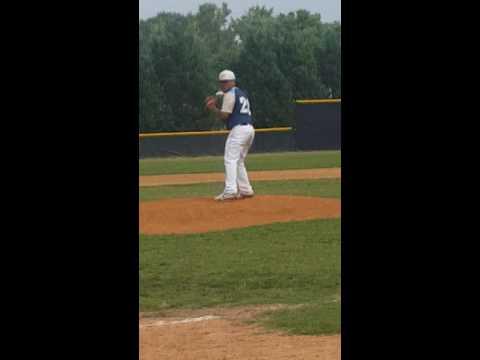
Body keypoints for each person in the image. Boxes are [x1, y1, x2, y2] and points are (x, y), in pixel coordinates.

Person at [205, 70, 255, 201]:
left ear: (233, 81)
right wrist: (218, 97)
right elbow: (224, 96)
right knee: (239, 161)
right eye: (221, 82)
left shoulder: (230, 94)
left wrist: (213, 108)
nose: (223, 84)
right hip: (249, 129)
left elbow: (225, 115)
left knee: (230, 159)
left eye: (226, 81)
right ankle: (246, 190)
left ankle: (230, 190)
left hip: (239, 130)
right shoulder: (240, 92)